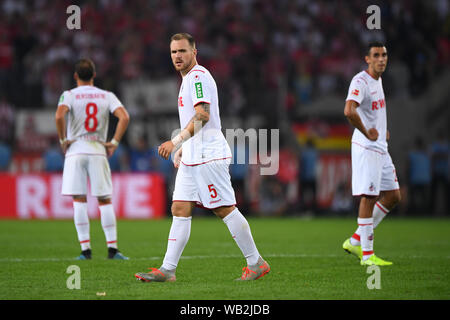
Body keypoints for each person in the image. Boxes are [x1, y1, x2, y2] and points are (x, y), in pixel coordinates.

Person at [135, 33, 270, 282]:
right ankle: (168, 270)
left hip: (209, 155)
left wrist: (175, 141)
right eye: (174, 52)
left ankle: (256, 262)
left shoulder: (197, 77)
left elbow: (203, 115)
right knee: (179, 207)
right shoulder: (187, 80)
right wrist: (185, 148)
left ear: (194, 52)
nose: (178, 56)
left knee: (223, 209)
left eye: (183, 51)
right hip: (194, 154)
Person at [55, 58, 130, 260]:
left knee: (79, 200)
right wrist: (114, 142)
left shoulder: (69, 95)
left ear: (75, 76)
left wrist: (63, 139)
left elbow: (59, 116)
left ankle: (85, 251)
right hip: (97, 149)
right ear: (94, 76)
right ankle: (113, 250)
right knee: (104, 200)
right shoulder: (106, 95)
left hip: (76, 150)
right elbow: (124, 117)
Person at [341, 42, 401, 266]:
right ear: (367, 59)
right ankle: (367, 256)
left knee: (394, 196)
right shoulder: (361, 81)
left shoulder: (379, 80)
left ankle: (356, 239)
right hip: (366, 147)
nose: (381, 59)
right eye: (376, 55)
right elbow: (349, 110)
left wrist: (380, 128)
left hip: (380, 147)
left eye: (384, 55)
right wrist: (368, 131)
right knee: (369, 196)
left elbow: (372, 111)